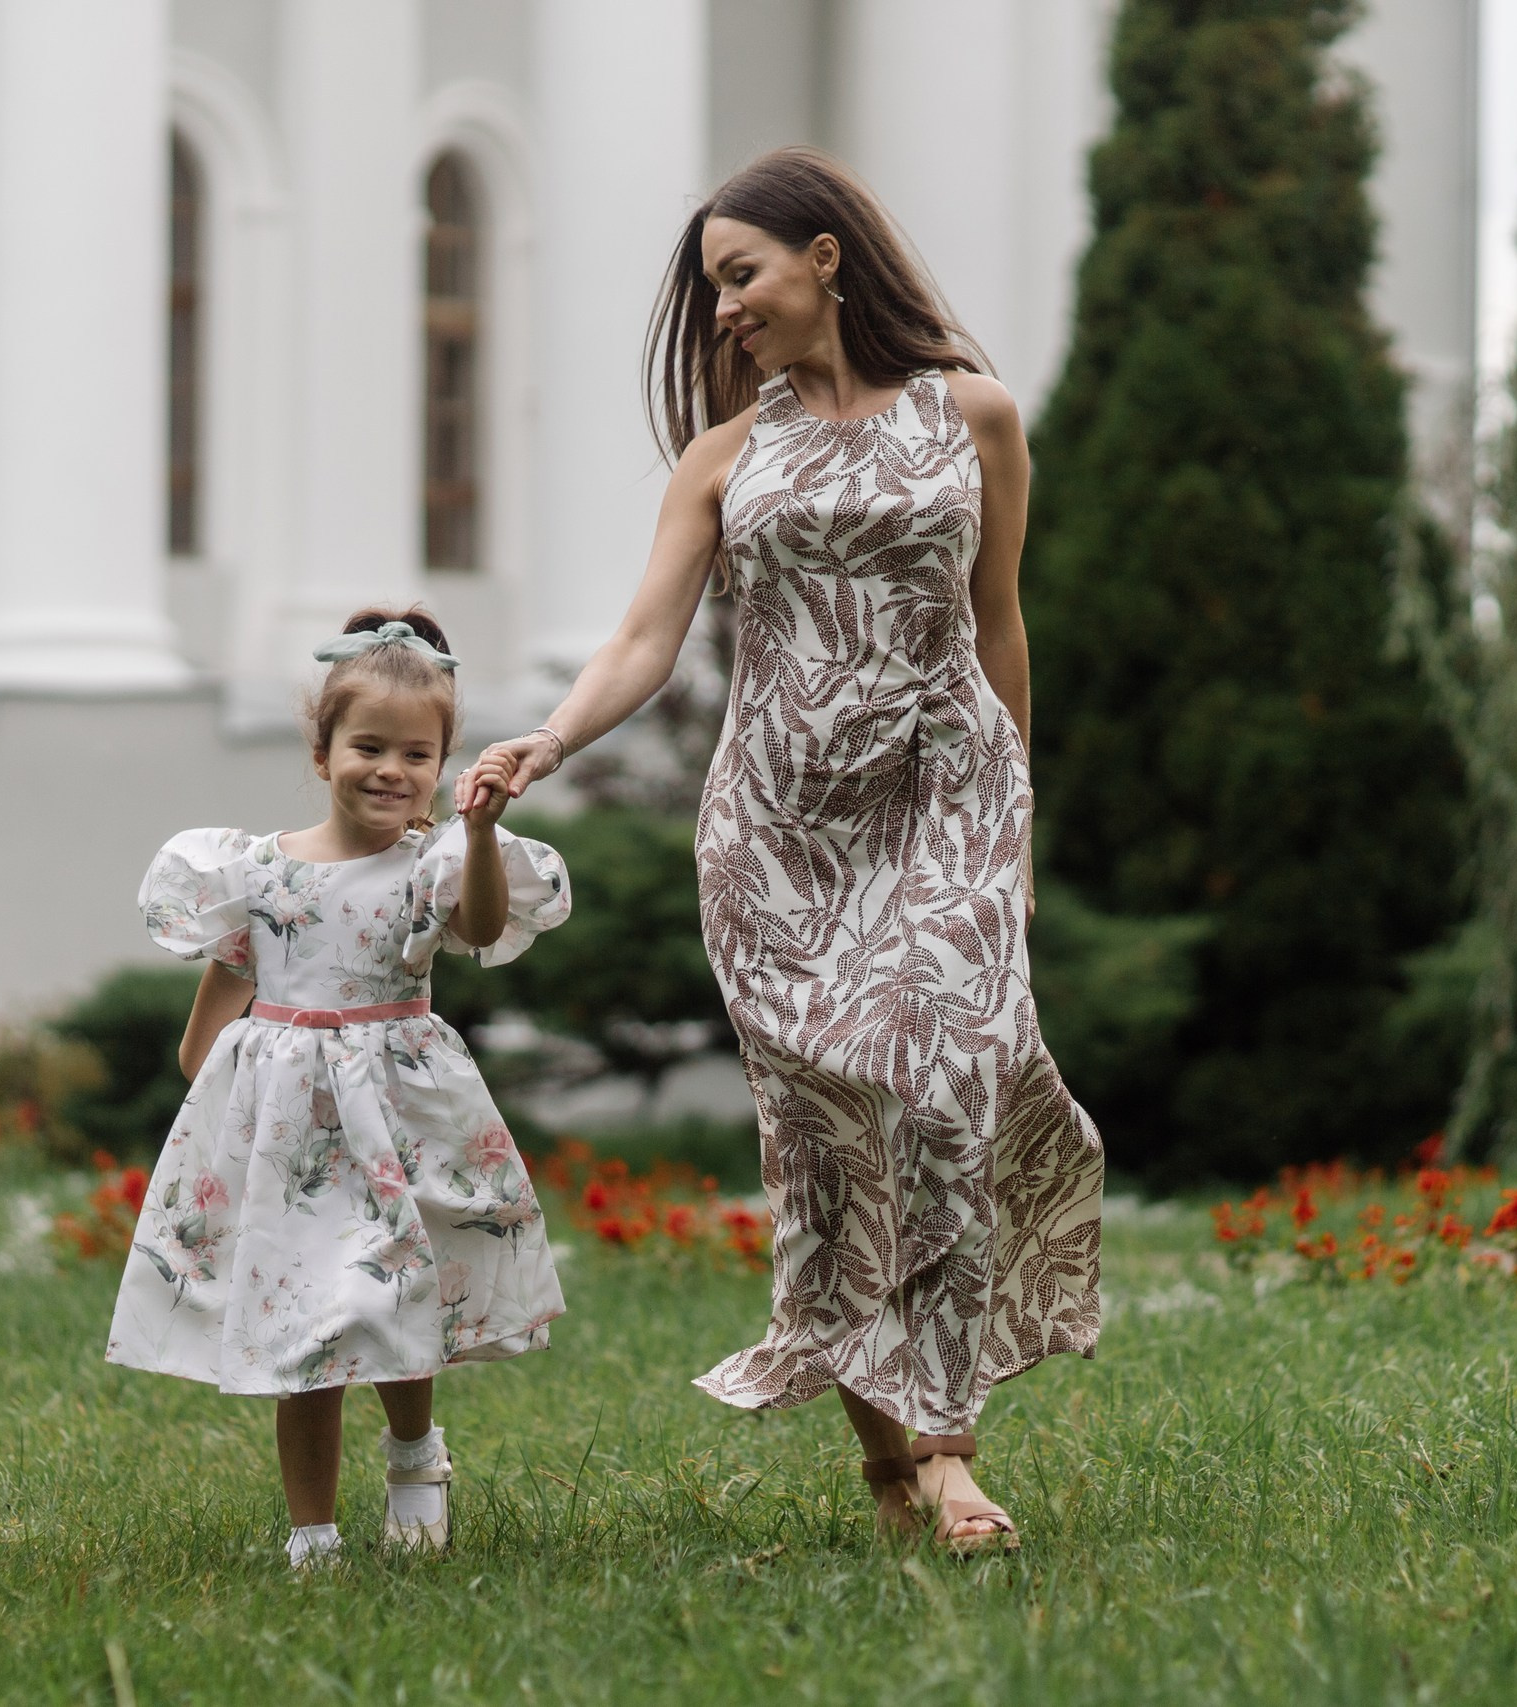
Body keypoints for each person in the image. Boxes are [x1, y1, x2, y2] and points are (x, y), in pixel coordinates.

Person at [460, 148, 1104, 1554]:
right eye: (712, 289)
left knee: (942, 1081)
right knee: (826, 1138)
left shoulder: (976, 416)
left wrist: (1017, 819)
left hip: (944, 793)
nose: (726, 308)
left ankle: (946, 1443)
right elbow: (645, 638)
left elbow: (1001, 622)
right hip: (778, 829)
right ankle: (894, 1456)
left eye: (741, 274)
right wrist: (547, 744)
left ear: (825, 256)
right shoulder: (728, 455)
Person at [108, 607, 571, 1568]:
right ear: (322, 752)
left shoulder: (432, 864)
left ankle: (414, 1457)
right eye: (367, 745)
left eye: (417, 753)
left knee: (395, 1301)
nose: (390, 769)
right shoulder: (262, 872)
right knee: (301, 1326)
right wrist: (214, 1096)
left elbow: (481, 931)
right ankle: (311, 1533)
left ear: (443, 766)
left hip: (395, 1123)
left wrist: (482, 834)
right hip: (292, 1143)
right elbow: (220, 1010)